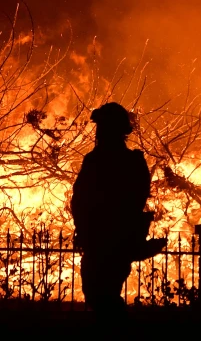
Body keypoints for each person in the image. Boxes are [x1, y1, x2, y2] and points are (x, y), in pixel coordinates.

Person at [70, 102, 162, 319]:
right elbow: (81, 198)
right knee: (100, 295)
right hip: (105, 239)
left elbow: (132, 200)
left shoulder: (112, 161)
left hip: (110, 240)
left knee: (102, 296)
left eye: (102, 127)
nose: (98, 132)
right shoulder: (122, 162)